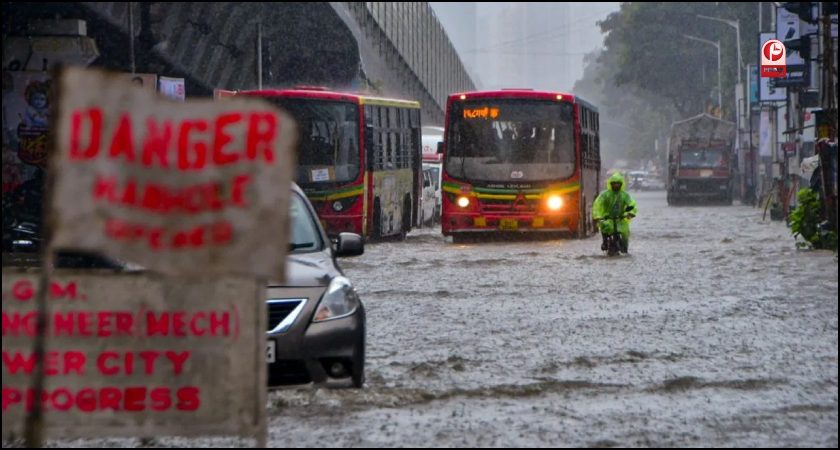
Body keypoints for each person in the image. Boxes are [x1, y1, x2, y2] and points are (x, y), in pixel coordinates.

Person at [593, 172, 638, 253]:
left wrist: (630, 212)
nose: (616, 185)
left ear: (621, 184)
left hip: (620, 219)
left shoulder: (625, 195)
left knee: (625, 232)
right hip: (607, 218)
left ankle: (624, 247)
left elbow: (632, 203)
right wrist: (597, 216)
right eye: (614, 184)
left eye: (618, 184)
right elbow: (597, 205)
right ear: (611, 184)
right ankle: (605, 241)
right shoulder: (605, 195)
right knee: (604, 226)